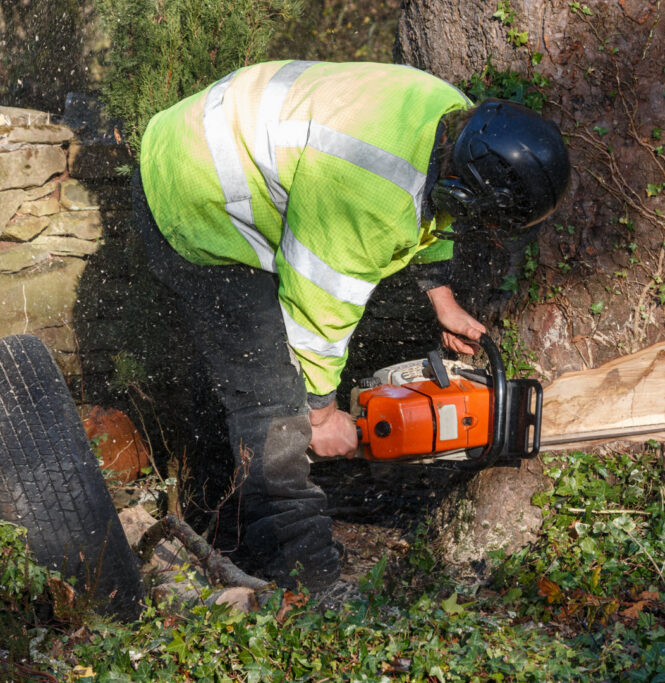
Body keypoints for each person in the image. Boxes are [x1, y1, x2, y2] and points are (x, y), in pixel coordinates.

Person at [131, 60, 570, 590]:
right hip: (194, 188)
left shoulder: (458, 124)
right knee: (273, 402)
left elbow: (438, 210)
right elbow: (313, 320)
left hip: (222, 138)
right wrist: (321, 414)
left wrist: (441, 294)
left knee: (243, 374)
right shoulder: (369, 191)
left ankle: (225, 519)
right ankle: (303, 577)